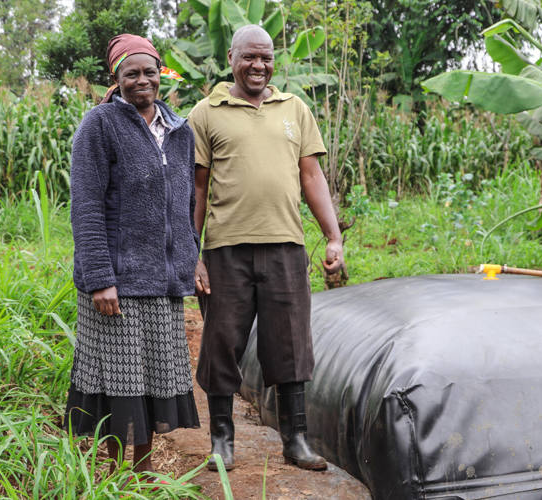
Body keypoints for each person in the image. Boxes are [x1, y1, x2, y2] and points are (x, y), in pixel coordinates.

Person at [188, 25, 344, 472]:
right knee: (222, 343)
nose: (258, 66)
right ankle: (222, 440)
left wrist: (333, 236)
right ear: (232, 58)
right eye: (249, 57)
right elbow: (197, 188)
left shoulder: (294, 107)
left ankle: (295, 441)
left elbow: (311, 176)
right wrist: (191, 252)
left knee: (291, 345)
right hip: (224, 250)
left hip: (286, 247)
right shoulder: (206, 112)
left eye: (266, 58)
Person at [64, 34, 200, 481]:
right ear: (116, 78)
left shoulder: (180, 131)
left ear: (160, 73)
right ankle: (111, 477)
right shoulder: (99, 125)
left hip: (161, 283)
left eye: (149, 72)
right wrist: (101, 277)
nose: (142, 81)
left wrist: (189, 260)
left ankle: (141, 478)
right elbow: (85, 206)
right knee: (118, 388)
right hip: (117, 284)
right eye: (131, 73)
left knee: (152, 388)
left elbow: (182, 206)